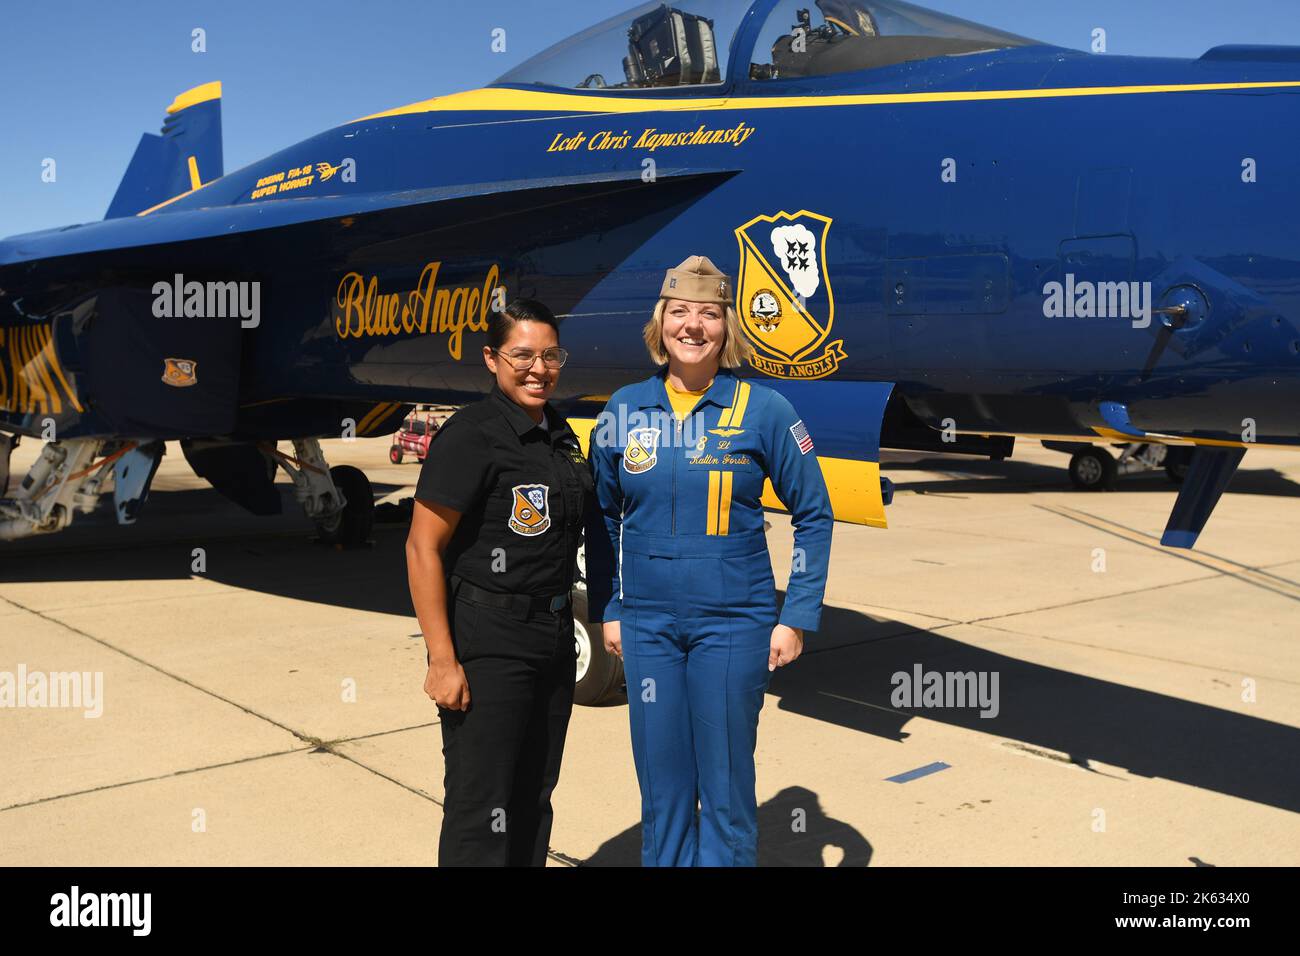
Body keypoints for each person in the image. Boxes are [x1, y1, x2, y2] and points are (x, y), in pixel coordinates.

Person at [584, 255, 834, 867]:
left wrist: (795, 615)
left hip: (734, 624)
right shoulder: (623, 409)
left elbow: (814, 514)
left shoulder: (765, 410)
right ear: (659, 323)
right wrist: (609, 608)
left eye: (708, 314)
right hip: (647, 626)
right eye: (680, 312)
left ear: (726, 327)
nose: (693, 326)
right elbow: (601, 517)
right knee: (662, 785)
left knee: (725, 788)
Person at [406, 298, 592, 867]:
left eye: (550, 355)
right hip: (491, 640)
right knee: (481, 802)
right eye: (522, 355)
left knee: (534, 796)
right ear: (491, 358)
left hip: (554, 633)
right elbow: (422, 546)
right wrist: (442, 660)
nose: (539, 369)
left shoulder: (559, 432)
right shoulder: (472, 434)